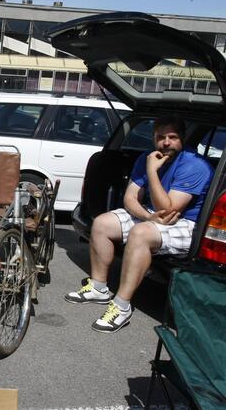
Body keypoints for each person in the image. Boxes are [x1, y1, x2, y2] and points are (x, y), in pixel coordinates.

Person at [65, 116, 213, 333]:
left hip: (185, 223)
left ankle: (122, 306)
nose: (166, 142)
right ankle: (98, 288)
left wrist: (152, 171)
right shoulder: (147, 157)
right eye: (160, 137)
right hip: (154, 216)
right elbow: (130, 198)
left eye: (172, 137)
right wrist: (148, 216)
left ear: (182, 139)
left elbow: (168, 208)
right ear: (153, 138)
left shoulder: (194, 166)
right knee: (102, 223)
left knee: (140, 233)